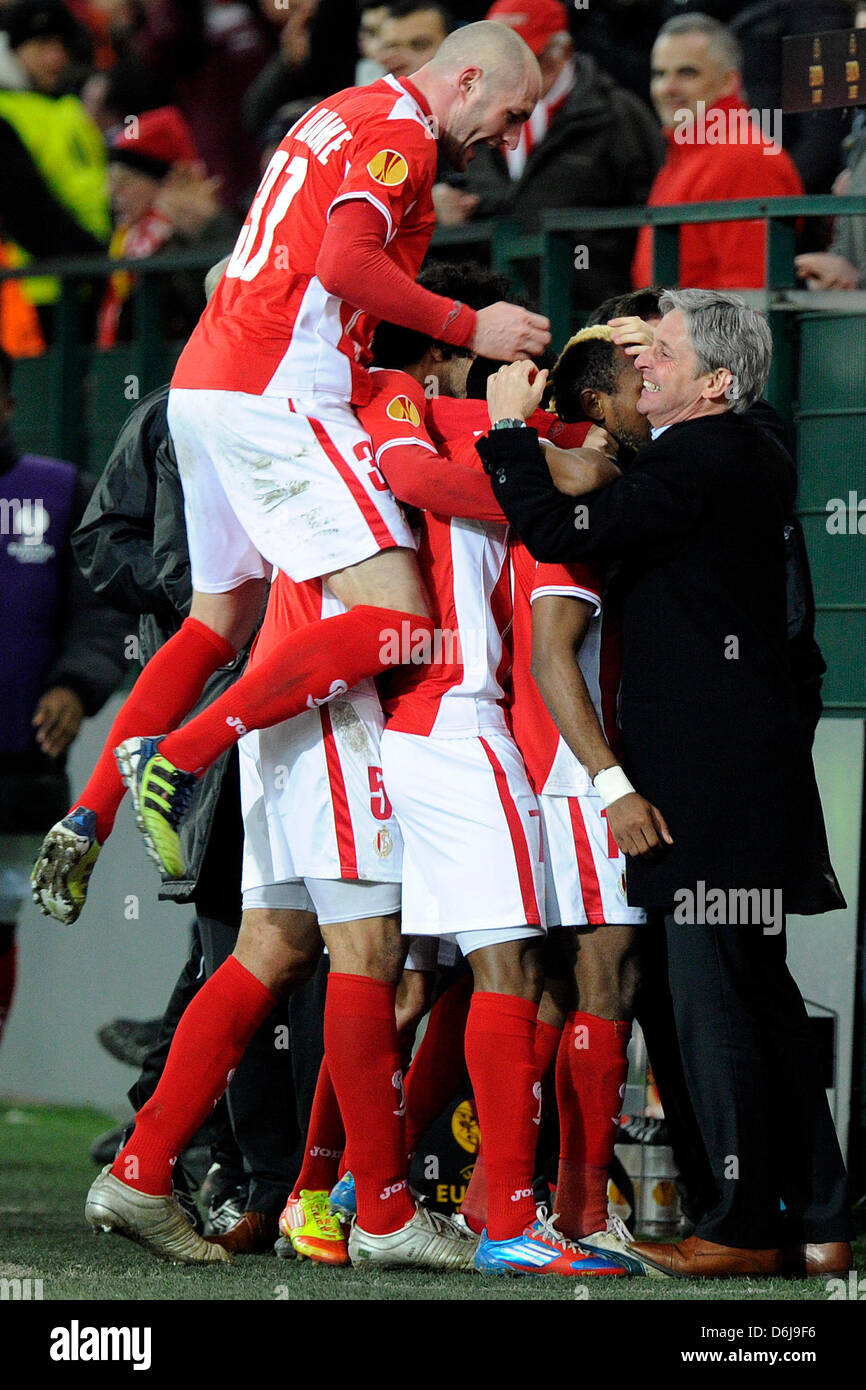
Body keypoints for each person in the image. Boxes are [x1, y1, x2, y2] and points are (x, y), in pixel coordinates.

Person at [32, 20, 549, 921]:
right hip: (279, 390)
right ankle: (181, 757)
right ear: (467, 80)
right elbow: (344, 262)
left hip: (205, 383)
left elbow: (269, 255)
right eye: (509, 115)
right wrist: (472, 328)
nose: (508, 139)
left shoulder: (339, 112)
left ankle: (91, 811)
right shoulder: (403, 136)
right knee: (398, 618)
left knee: (218, 616)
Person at [480, 290, 852, 1278]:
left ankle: (737, 1227)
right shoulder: (750, 445)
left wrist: (507, 434)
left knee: (712, 1007)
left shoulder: (699, 455)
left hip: (702, 785)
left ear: (715, 382)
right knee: (759, 1001)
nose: (645, 363)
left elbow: (561, 530)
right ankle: (816, 1218)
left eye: (666, 351)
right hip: (746, 775)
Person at [0, 347, 127, 1043]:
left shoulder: (58, 491)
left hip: (20, 760)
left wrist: (77, 685)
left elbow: (101, 609)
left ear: (11, 404)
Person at [435, 0, 664, 308]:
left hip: (594, 316)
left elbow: (657, 215)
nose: (511, 75)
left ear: (564, 50)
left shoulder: (619, 116)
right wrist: (436, 205)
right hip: (491, 317)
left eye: (527, 60)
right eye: (497, 65)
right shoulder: (461, 113)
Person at [631, 13, 803, 290]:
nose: (667, 88)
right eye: (659, 74)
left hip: (704, 333)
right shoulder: (685, 154)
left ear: (728, 82)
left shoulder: (745, 157)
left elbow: (750, 297)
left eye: (687, 72)